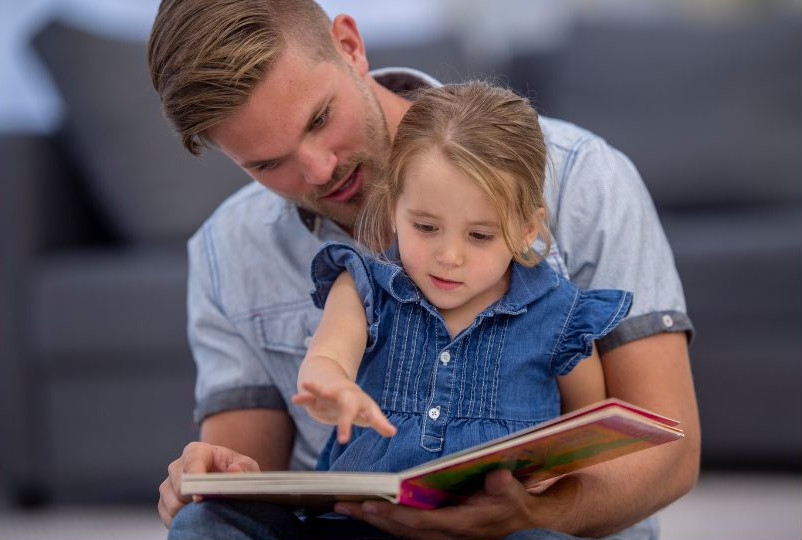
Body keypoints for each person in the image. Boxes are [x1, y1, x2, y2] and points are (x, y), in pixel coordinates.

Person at [147, 1, 700, 538]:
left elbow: (667, 453)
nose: (319, 169)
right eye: (268, 164)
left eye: (320, 118)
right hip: (356, 526)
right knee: (207, 522)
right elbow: (251, 478)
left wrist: (531, 515)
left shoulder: (584, 178)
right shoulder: (227, 249)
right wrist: (212, 475)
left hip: (539, 530)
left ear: (350, 45)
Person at [294, 81, 631, 480]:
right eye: (425, 227)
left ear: (527, 229)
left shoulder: (560, 317)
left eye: (479, 236)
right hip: (367, 518)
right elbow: (326, 359)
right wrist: (333, 388)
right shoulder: (363, 288)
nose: (449, 257)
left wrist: (552, 482)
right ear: (392, 209)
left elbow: (585, 430)